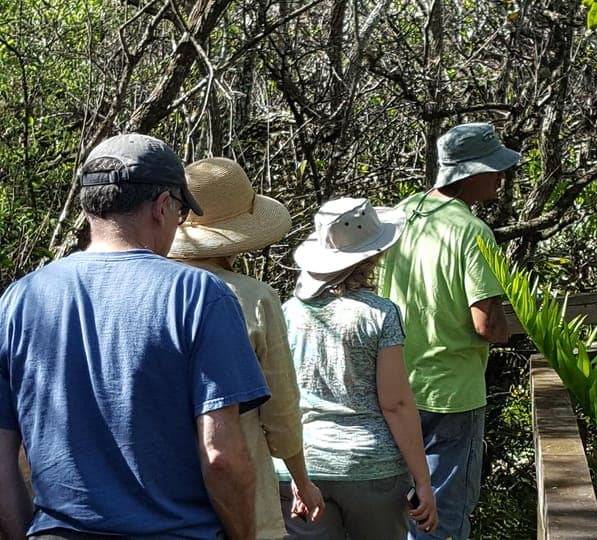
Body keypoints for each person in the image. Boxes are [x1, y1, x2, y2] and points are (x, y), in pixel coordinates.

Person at [0, 133, 271, 539]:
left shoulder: (20, 299)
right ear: (163, 207)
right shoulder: (199, 295)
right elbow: (221, 456)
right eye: (180, 213)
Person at [168, 157, 325, 539]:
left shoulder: (150, 289)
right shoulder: (254, 297)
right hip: (241, 471)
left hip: (162, 483)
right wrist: (302, 481)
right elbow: (281, 406)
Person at [378, 122, 518, 540]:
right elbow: (484, 323)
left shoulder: (401, 214)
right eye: (494, 168)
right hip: (451, 394)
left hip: (395, 385)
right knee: (442, 515)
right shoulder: (472, 232)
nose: (500, 176)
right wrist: (508, 329)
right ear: (470, 173)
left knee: (402, 511)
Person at [276, 197, 439, 539]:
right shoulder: (380, 313)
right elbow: (394, 403)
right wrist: (423, 481)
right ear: (372, 255)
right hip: (372, 468)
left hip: (302, 467)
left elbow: (280, 396)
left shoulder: (288, 311)